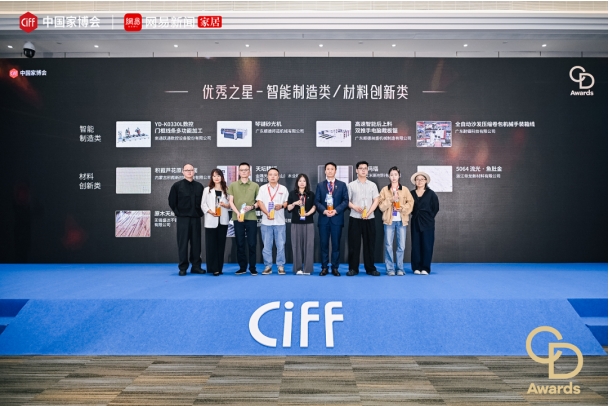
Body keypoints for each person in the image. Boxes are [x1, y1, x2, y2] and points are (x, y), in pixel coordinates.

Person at [168, 163, 205, 276]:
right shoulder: (177, 186)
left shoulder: (199, 186)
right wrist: (179, 213)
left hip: (196, 219)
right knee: (183, 243)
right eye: (187, 170)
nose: (189, 172)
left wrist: (199, 213)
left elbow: (204, 203)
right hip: (183, 219)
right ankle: (183, 268)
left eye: (191, 170)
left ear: (194, 171)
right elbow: (172, 201)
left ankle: (196, 267)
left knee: (196, 244)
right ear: (182, 172)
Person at [314, 162, 349, 276]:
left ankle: (335, 268)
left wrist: (336, 210)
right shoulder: (320, 185)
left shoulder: (342, 185)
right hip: (324, 219)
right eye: (328, 169)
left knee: (336, 245)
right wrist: (324, 210)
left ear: (335, 171)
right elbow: (316, 201)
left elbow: (345, 201)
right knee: (323, 245)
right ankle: (324, 267)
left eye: (332, 169)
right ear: (325, 171)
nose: (330, 171)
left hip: (336, 219)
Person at [378, 166, 414, 276]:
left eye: (396, 175)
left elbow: (411, 203)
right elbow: (381, 207)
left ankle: (400, 268)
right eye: (391, 175)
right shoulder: (385, 190)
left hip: (402, 221)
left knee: (401, 246)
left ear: (399, 176)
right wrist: (391, 200)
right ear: (389, 176)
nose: (394, 177)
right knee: (388, 245)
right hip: (389, 221)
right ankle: (390, 269)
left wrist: (402, 208)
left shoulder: (405, 190)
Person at [346, 161, 380, 276]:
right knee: (353, 244)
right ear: (356, 170)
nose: (363, 170)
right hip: (355, 218)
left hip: (369, 218)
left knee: (369, 244)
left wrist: (369, 212)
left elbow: (376, 200)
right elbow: (347, 201)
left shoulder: (372, 185)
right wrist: (354, 207)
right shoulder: (351, 185)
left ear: (368, 170)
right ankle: (353, 268)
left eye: (365, 168)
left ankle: (370, 268)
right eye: (361, 168)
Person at [228, 162, 260, 275]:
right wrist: (237, 213)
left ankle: (252, 267)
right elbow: (230, 202)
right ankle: (242, 267)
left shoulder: (255, 185)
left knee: (252, 244)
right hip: (237, 218)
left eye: (246, 170)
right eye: (242, 170)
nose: (244, 172)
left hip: (251, 218)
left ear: (249, 172)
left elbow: (258, 202)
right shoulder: (233, 185)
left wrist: (252, 207)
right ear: (239, 172)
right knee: (240, 243)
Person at [256, 168, 289, 275]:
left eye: (275, 175)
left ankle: (280, 266)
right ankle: (268, 266)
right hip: (266, 222)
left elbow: (286, 202)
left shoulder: (283, 188)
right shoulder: (262, 188)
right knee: (267, 246)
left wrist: (281, 206)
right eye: (270, 174)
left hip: (280, 222)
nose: (273, 176)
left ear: (278, 176)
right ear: (267, 176)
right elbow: (259, 202)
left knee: (281, 245)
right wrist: (267, 213)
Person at [202, 169, 231, 276]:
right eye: (214, 176)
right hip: (211, 220)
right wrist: (210, 212)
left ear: (222, 177)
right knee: (211, 245)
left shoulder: (227, 189)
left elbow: (230, 205)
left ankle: (219, 268)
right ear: (212, 178)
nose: (216, 178)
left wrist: (225, 205)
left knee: (221, 245)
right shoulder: (207, 190)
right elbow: (203, 204)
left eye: (218, 175)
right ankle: (213, 268)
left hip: (223, 221)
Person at [410, 171, 440, 275]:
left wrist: (429, 217)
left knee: (427, 245)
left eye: (422, 179)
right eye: (417, 179)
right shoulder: (411, 193)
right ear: (415, 181)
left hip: (428, 222)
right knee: (416, 244)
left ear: (426, 181)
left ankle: (425, 268)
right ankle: (416, 267)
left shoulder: (431, 194)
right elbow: (408, 206)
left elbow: (436, 207)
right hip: (415, 221)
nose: (419, 181)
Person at [287, 174, 316, 275]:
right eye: (300, 181)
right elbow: (288, 208)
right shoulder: (292, 194)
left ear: (307, 183)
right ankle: (298, 268)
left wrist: (308, 213)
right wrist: (294, 203)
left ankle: (307, 269)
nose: (302, 183)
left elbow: (314, 207)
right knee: (296, 246)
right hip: (296, 222)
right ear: (297, 182)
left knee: (309, 245)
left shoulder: (311, 194)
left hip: (309, 222)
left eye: (304, 181)